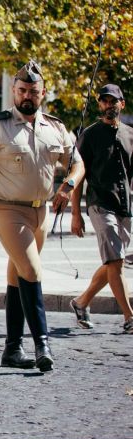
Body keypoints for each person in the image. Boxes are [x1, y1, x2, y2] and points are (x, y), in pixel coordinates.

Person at [0, 60, 83, 372]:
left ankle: (11, 348)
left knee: (16, 275)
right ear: (13, 91)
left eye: (33, 91)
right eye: (21, 90)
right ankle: (42, 343)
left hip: (41, 211)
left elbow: (78, 163)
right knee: (32, 270)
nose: (27, 96)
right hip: (7, 209)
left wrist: (69, 185)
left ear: (43, 93)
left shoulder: (56, 128)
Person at [68, 84, 133, 334]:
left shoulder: (130, 134)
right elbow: (78, 176)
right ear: (100, 105)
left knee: (112, 263)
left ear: (122, 104)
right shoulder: (89, 135)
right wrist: (75, 215)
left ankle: (81, 302)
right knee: (115, 260)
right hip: (99, 204)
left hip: (124, 206)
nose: (108, 105)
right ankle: (129, 317)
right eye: (104, 101)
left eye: (113, 101)